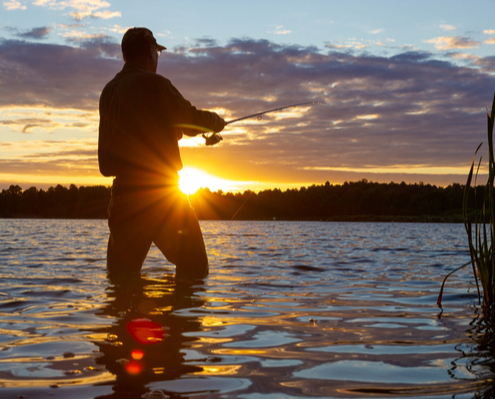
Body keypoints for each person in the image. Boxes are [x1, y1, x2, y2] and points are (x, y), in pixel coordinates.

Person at [98, 27, 225, 281]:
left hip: (123, 199)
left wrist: (168, 133)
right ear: (149, 51)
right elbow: (191, 120)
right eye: (157, 51)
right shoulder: (156, 83)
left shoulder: (109, 91)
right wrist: (214, 121)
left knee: (120, 280)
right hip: (162, 198)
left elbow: (129, 137)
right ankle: (181, 319)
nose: (157, 56)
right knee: (195, 268)